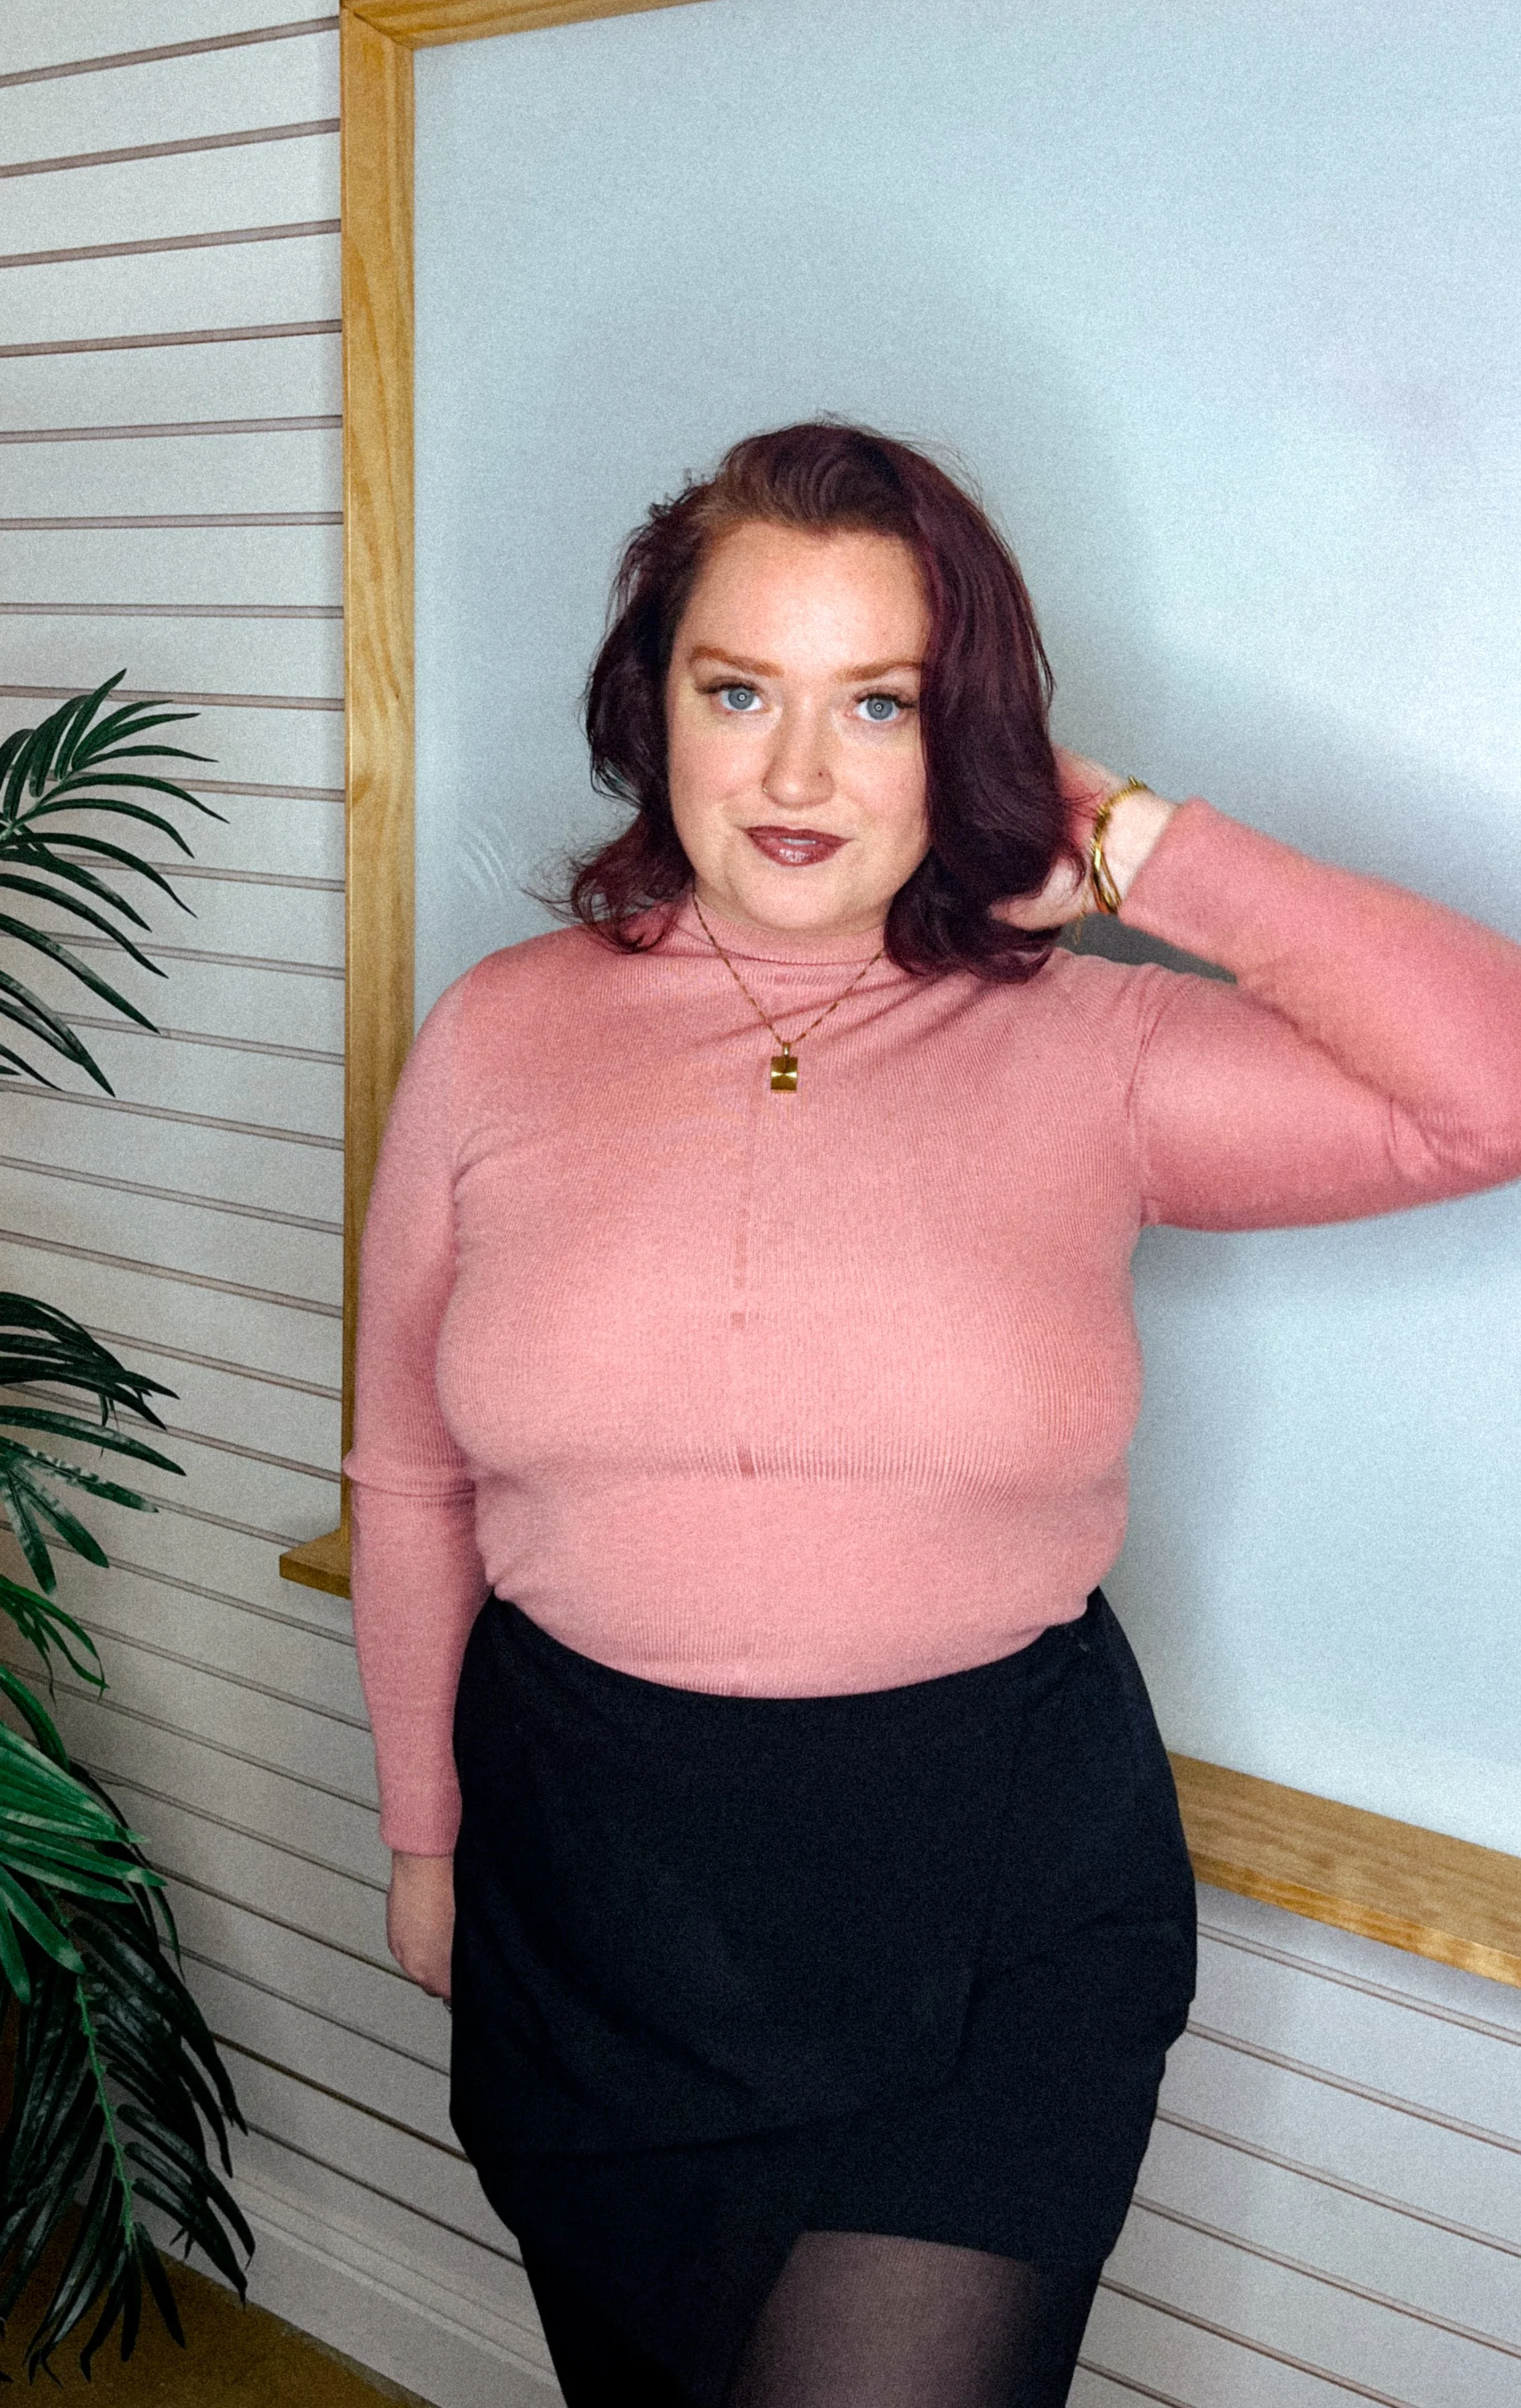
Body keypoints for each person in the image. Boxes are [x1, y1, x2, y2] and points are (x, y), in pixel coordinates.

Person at [346, 422, 1521, 2408]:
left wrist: (1136, 844)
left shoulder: (1099, 1049)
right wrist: (426, 1839)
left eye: (877, 703)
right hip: (584, 1880)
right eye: (741, 692)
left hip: (985, 1899)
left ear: (960, 732)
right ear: (654, 706)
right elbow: (407, 1471)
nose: (798, 776)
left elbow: (1484, 1088)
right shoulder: (497, 1031)